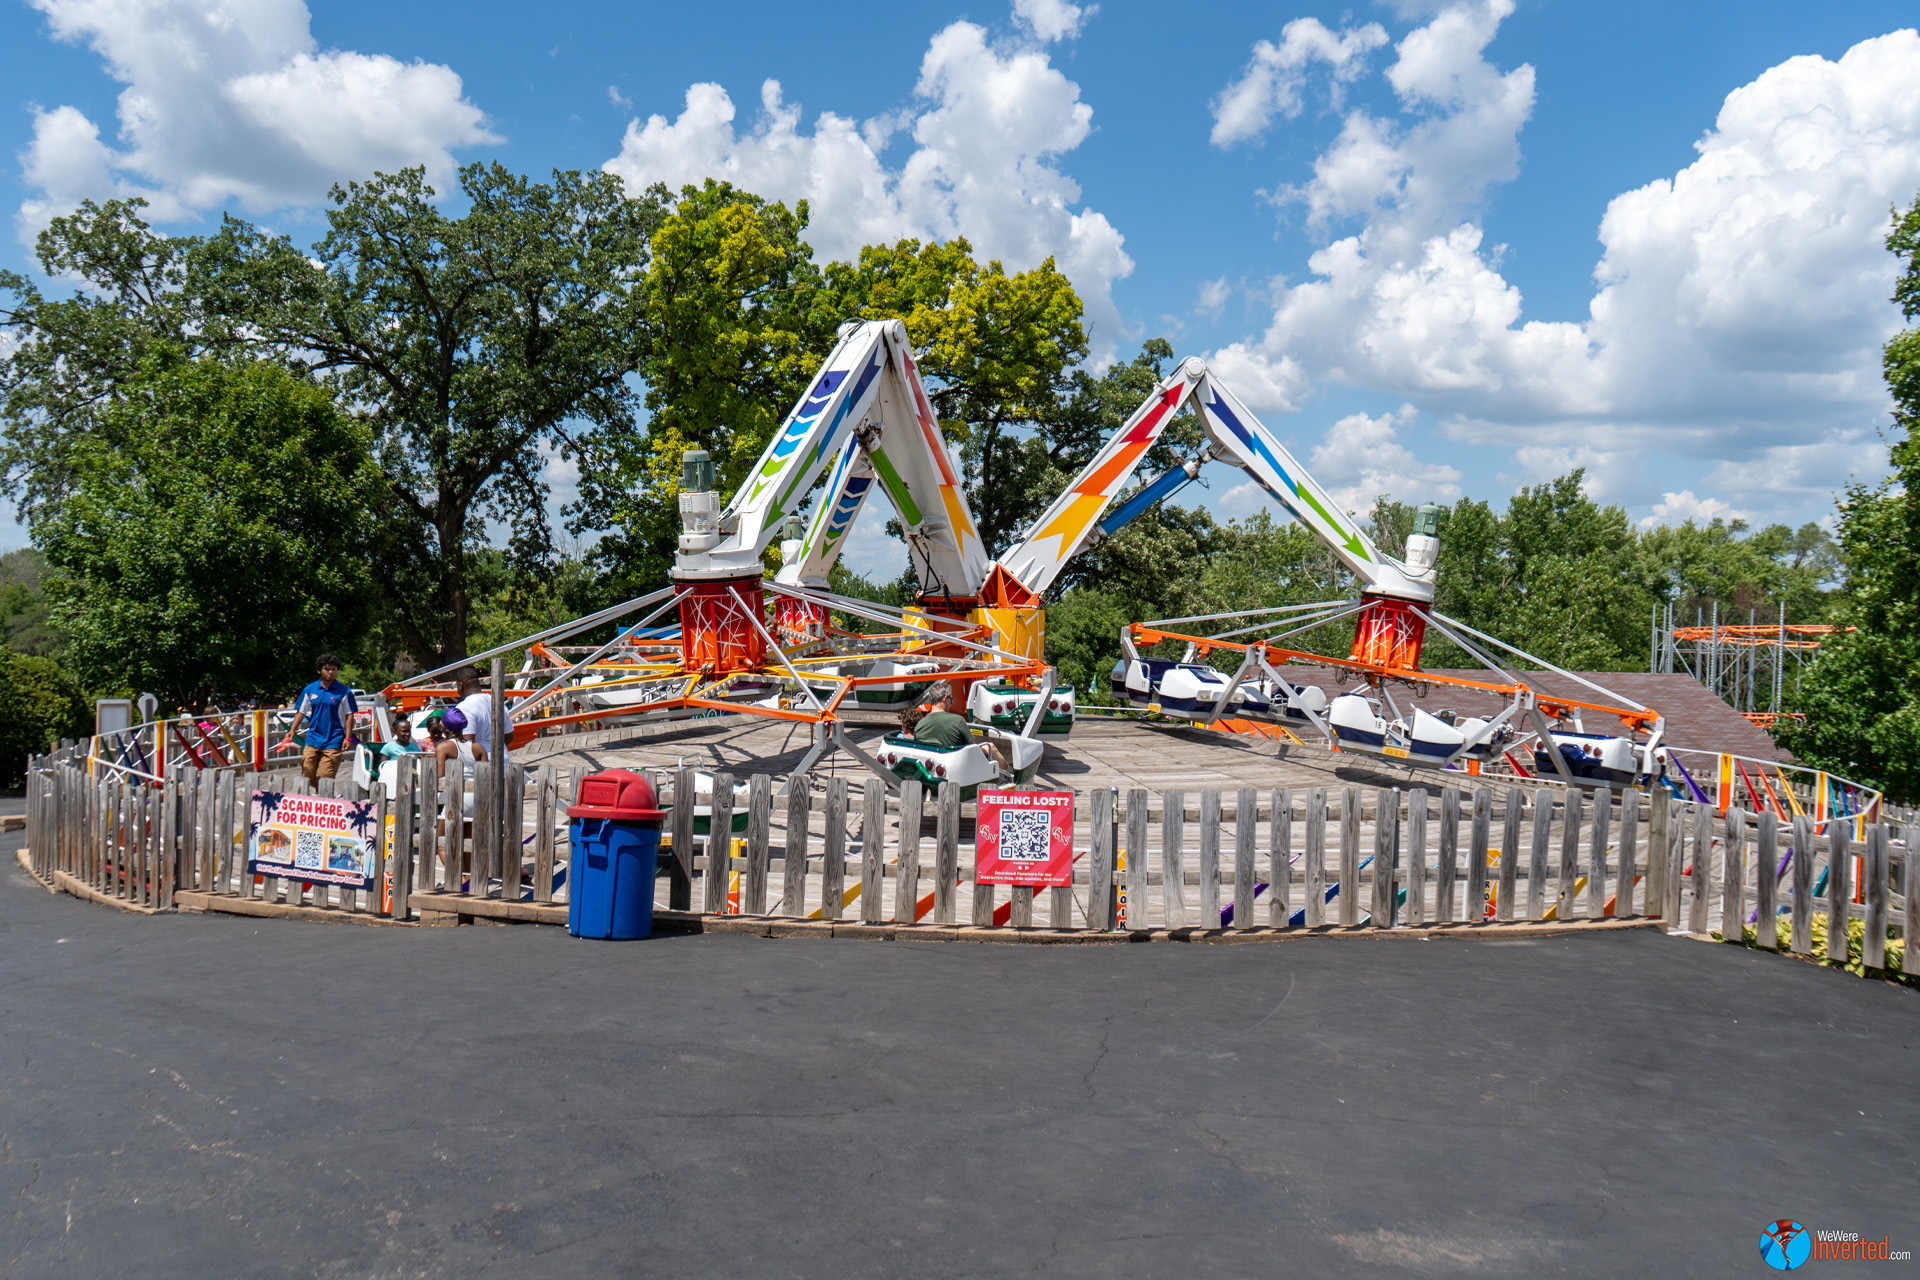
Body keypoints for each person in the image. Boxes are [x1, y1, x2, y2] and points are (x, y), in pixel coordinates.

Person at [282, 652, 358, 785]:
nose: (330, 672)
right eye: (327, 669)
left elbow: (349, 715)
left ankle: (323, 794)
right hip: (313, 738)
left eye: (333, 669)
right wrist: (292, 730)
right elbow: (301, 712)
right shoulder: (309, 689)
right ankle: (319, 795)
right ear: (319, 670)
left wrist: (347, 738)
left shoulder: (344, 691)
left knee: (325, 778)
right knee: (307, 775)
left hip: (334, 739)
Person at [913, 685, 1009, 775]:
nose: (951, 704)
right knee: (990, 747)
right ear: (945, 699)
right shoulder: (957, 720)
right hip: (958, 767)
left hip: (931, 769)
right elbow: (974, 749)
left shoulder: (920, 724)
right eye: (951, 700)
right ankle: (1008, 776)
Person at [450, 665, 509, 764]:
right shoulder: (497, 702)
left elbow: (468, 744)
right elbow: (509, 736)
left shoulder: (464, 707)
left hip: (482, 765)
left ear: (460, 685)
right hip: (503, 760)